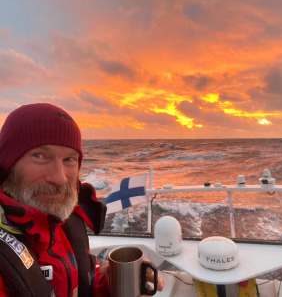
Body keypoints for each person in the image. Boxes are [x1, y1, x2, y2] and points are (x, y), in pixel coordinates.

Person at [0, 103, 163, 297]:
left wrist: (110, 287)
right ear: (8, 164)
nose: (60, 178)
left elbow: (81, 283)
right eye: (39, 155)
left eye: (69, 159)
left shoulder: (65, 219)